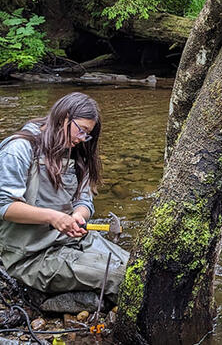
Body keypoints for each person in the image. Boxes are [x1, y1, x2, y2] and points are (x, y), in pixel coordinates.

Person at [0, 92, 129, 303]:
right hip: (32, 257)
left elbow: (85, 201)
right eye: (82, 131)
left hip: (75, 240)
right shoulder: (19, 149)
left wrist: (79, 215)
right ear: (64, 117)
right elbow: (4, 206)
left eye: (87, 134)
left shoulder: (77, 153)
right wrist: (53, 217)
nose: (81, 139)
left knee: (137, 269)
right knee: (121, 278)